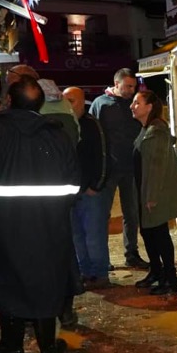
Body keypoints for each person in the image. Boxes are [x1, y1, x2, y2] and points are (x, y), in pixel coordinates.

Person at [0, 75, 80, 353]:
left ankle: (11, 346)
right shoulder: (57, 134)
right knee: (46, 279)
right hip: (49, 226)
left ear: (8, 101)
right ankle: (48, 347)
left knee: (4, 279)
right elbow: (74, 185)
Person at [130, 91, 177, 293]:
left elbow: (156, 167)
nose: (132, 106)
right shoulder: (146, 129)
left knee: (159, 235)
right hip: (143, 192)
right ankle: (157, 271)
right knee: (148, 233)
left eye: (137, 102)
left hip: (153, 194)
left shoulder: (156, 131)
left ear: (149, 107)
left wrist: (151, 196)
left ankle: (171, 280)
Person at [90, 68, 148, 269]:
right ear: (116, 83)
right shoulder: (101, 104)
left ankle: (131, 254)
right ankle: (101, 259)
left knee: (131, 213)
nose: (131, 90)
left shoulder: (133, 104)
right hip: (108, 169)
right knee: (102, 213)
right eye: (128, 86)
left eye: (133, 86)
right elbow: (92, 135)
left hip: (131, 168)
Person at [62, 87, 109, 292]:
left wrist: (95, 185)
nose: (68, 105)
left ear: (81, 102)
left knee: (93, 235)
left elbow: (103, 156)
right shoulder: (65, 124)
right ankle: (85, 272)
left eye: (71, 101)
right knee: (77, 235)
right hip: (72, 191)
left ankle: (99, 274)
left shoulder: (91, 125)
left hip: (90, 191)